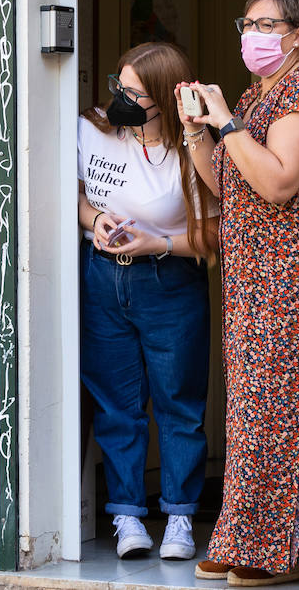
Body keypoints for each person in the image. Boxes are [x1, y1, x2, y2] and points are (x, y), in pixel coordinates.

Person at [176, 0, 299, 588]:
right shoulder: (255, 92)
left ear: (298, 35)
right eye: (249, 23)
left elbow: (280, 182)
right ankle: (249, 536)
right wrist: (196, 130)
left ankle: (278, 551)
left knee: (275, 408)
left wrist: (229, 122)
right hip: (248, 274)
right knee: (250, 408)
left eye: (268, 25)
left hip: (284, 275)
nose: (254, 35)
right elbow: (227, 183)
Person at [76, 41, 219, 561]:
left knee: (179, 405)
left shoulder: (190, 152)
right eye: (119, 85)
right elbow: (69, 190)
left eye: (134, 92)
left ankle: (180, 518)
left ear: (162, 96)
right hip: (102, 279)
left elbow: (214, 234)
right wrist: (95, 219)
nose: (120, 98)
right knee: (118, 405)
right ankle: (128, 517)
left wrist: (155, 243)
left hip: (169, 281)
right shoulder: (90, 127)